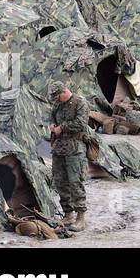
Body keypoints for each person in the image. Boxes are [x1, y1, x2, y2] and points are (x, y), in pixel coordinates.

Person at [49, 81, 90, 231]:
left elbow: (81, 123)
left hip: (74, 149)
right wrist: (52, 126)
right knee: (60, 182)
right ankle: (68, 214)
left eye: (58, 96)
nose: (56, 100)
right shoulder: (57, 104)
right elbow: (52, 117)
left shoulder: (80, 103)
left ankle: (81, 218)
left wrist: (62, 127)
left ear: (64, 91)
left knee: (75, 182)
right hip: (59, 148)